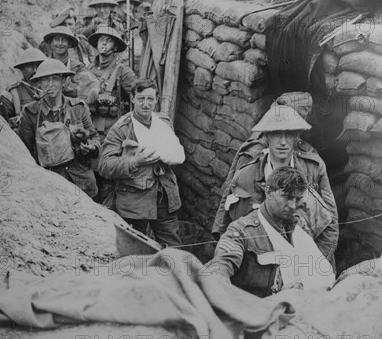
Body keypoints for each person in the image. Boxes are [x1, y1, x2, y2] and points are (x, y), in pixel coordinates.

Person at [212, 104, 339, 265]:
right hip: (260, 261)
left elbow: (331, 223)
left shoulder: (313, 168)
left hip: (307, 258)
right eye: (277, 134)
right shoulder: (246, 174)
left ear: (296, 137)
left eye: (289, 135)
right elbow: (224, 223)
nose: (283, 142)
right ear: (267, 137)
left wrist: (315, 265)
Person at [205, 167, 335, 298]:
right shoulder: (241, 231)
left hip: (300, 307)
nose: (293, 205)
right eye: (287, 197)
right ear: (268, 192)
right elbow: (220, 267)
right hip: (258, 312)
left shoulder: (298, 226)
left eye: (297, 199)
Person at [98, 79, 184, 247]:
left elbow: (173, 152)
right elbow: (104, 165)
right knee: (136, 250)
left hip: (164, 198)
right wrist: (135, 161)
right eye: (141, 99)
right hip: (134, 202)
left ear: (157, 99)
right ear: (132, 99)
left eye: (150, 99)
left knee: (175, 250)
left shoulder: (163, 123)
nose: (146, 104)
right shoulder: (121, 129)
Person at [18, 59, 100, 198]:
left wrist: (91, 147)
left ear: (63, 82)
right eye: (45, 80)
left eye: (55, 79)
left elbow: (93, 137)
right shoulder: (30, 113)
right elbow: (25, 151)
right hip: (49, 181)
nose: (50, 84)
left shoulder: (78, 107)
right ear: (39, 83)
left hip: (80, 179)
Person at [84, 26, 137, 140]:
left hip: (110, 132)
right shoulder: (89, 68)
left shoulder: (122, 71)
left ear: (115, 46)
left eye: (109, 40)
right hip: (88, 129)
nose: (104, 43)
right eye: (101, 40)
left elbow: (137, 95)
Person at [42, 26, 99, 100]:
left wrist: (70, 90)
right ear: (51, 43)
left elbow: (92, 86)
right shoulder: (43, 67)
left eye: (64, 40)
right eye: (56, 39)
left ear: (69, 44)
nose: (60, 43)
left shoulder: (78, 67)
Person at [0, 48, 47, 131]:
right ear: (21, 69)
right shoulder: (11, 95)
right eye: (29, 66)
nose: (35, 70)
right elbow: (5, 130)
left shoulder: (52, 90)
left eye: (38, 65)